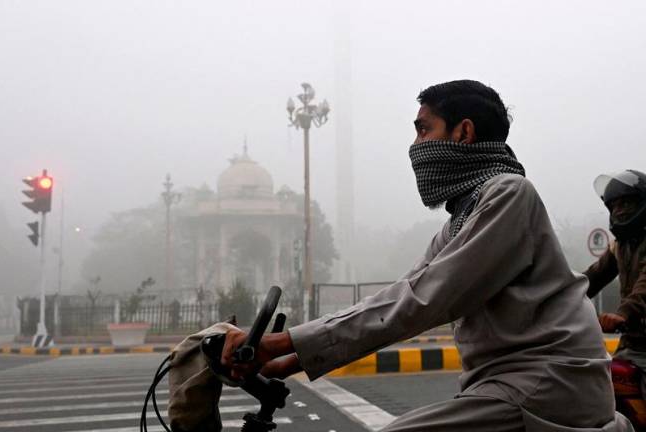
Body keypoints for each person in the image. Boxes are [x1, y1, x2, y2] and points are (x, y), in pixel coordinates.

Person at [222, 80, 632, 431]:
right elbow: (400, 296)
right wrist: (282, 361)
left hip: (548, 385)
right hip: (503, 386)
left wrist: (280, 343)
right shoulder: (461, 218)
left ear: (463, 132)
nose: (415, 145)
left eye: (423, 129)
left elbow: (424, 299)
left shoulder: (508, 194)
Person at [585, 169, 646, 390]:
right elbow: (590, 278)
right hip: (632, 343)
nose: (619, 211)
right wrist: (554, 296)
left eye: (626, 203)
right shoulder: (619, 246)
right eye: (614, 206)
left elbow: (643, 289)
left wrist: (622, 314)